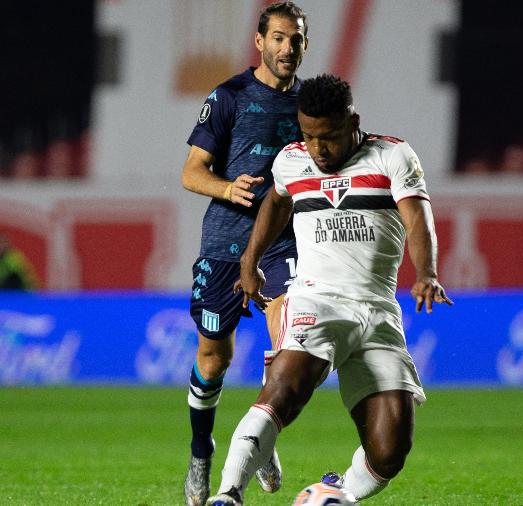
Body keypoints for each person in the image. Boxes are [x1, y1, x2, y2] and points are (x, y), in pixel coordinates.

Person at [206, 74, 452, 505]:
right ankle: (228, 495)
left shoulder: (391, 156)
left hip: (377, 310)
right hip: (316, 300)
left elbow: (416, 217)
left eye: (330, 136)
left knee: (391, 449)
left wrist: (427, 271)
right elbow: (277, 202)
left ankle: (332, 495)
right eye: (309, 135)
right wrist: (250, 261)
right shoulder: (291, 160)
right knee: (285, 388)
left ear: (352, 121)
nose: (318, 148)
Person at [180, 3, 309, 504]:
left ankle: (260, 436)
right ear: (260, 42)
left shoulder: (312, 104)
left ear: (305, 44)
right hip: (224, 246)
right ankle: (200, 450)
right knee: (214, 358)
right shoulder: (230, 96)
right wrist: (227, 188)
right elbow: (191, 172)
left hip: (283, 244)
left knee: (288, 346)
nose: (286, 48)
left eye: (295, 39)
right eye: (278, 38)